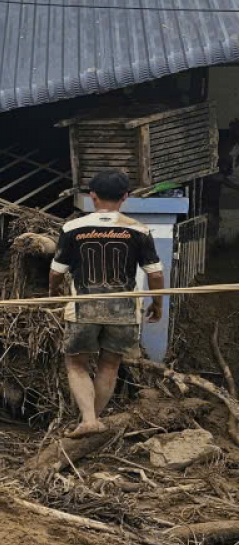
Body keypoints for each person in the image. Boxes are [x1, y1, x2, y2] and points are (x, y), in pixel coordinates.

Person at [49, 169, 165, 439]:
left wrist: (54, 292)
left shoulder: (72, 228)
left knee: (76, 364)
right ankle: (94, 419)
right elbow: (155, 274)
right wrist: (157, 303)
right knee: (109, 365)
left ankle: (88, 420)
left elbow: (57, 271)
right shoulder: (139, 230)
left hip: (83, 307)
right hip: (123, 309)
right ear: (125, 197)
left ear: (92, 196)